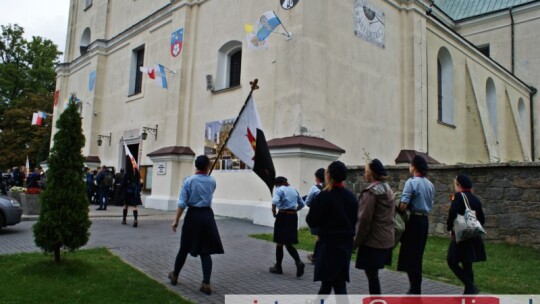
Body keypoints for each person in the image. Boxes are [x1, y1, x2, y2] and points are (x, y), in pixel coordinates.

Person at [168, 155, 224, 295]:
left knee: (184, 248)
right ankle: (206, 283)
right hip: (207, 216)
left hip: (193, 216)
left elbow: (182, 204)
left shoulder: (189, 181)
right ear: (207, 166)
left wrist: (175, 221)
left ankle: (175, 275)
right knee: (206, 251)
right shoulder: (212, 181)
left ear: (196, 166)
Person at [306, 161, 358, 295]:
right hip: (345, 246)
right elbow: (355, 220)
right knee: (333, 283)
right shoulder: (351, 197)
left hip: (328, 246)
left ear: (328, 175)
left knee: (332, 283)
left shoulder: (323, 196)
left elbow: (312, 221)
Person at [354, 159, 395, 294]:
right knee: (373, 275)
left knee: (372, 275)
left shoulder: (371, 192)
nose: (364, 174)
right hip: (386, 238)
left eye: (366, 171)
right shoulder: (387, 188)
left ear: (371, 173)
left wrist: (355, 242)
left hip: (373, 240)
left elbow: (364, 220)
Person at [397, 155, 435, 294]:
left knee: (409, 255)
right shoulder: (430, 184)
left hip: (413, 221)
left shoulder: (411, 182)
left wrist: (398, 204)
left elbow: (403, 205)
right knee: (417, 254)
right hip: (424, 221)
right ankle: (415, 287)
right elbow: (431, 203)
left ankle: (414, 288)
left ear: (414, 166)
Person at [446, 174, 486, 295]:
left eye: (455, 184)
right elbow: (482, 219)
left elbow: (452, 214)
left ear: (459, 185)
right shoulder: (475, 199)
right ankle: (468, 292)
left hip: (461, 236)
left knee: (451, 261)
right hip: (473, 236)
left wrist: (450, 229)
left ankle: (471, 287)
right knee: (467, 264)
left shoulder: (457, 196)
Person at [269, 176, 306, 277]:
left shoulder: (278, 190)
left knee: (280, 242)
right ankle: (296, 262)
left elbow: (274, 202)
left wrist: (273, 212)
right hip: (293, 217)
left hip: (282, 216)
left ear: (278, 184)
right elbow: (302, 204)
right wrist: (294, 211)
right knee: (287, 241)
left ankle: (279, 267)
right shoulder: (294, 189)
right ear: (285, 182)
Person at [305, 168, 325, 264]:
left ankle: (316, 257)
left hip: (318, 216)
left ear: (317, 178)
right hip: (330, 216)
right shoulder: (331, 187)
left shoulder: (315, 188)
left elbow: (308, 202)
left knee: (319, 236)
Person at [121, 158, 142, 227]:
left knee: (126, 205)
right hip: (135, 192)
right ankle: (135, 220)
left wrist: (120, 191)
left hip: (128, 192)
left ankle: (124, 219)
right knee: (134, 206)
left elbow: (123, 183)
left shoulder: (127, 173)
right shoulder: (137, 173)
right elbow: (140, 182)